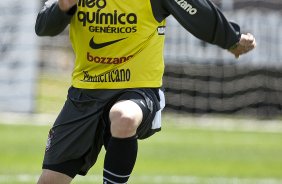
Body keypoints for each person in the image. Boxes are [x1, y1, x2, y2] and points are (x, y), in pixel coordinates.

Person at [35, 0, 256, 183]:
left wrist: (232, 39)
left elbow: (198, 12)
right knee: (50, 180)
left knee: (123, 116)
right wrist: (63, 7)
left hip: (137, 89)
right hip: (84, 94)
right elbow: (43, 27)